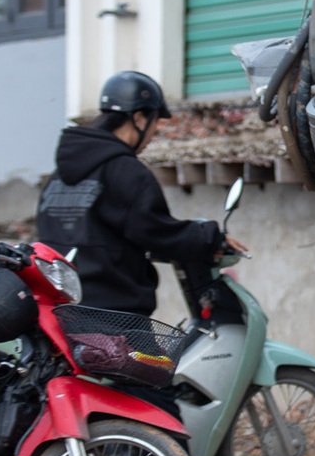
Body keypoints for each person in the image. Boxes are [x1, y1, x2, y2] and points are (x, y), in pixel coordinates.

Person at [36, 70, 239, 316]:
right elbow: (157, 231)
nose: (153, 135)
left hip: (62, 310)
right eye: (155, 123)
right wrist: (211, 238)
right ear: (140, 118)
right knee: (152, 357)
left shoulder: (59, 176)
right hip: (115, 318)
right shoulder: (125, 171)